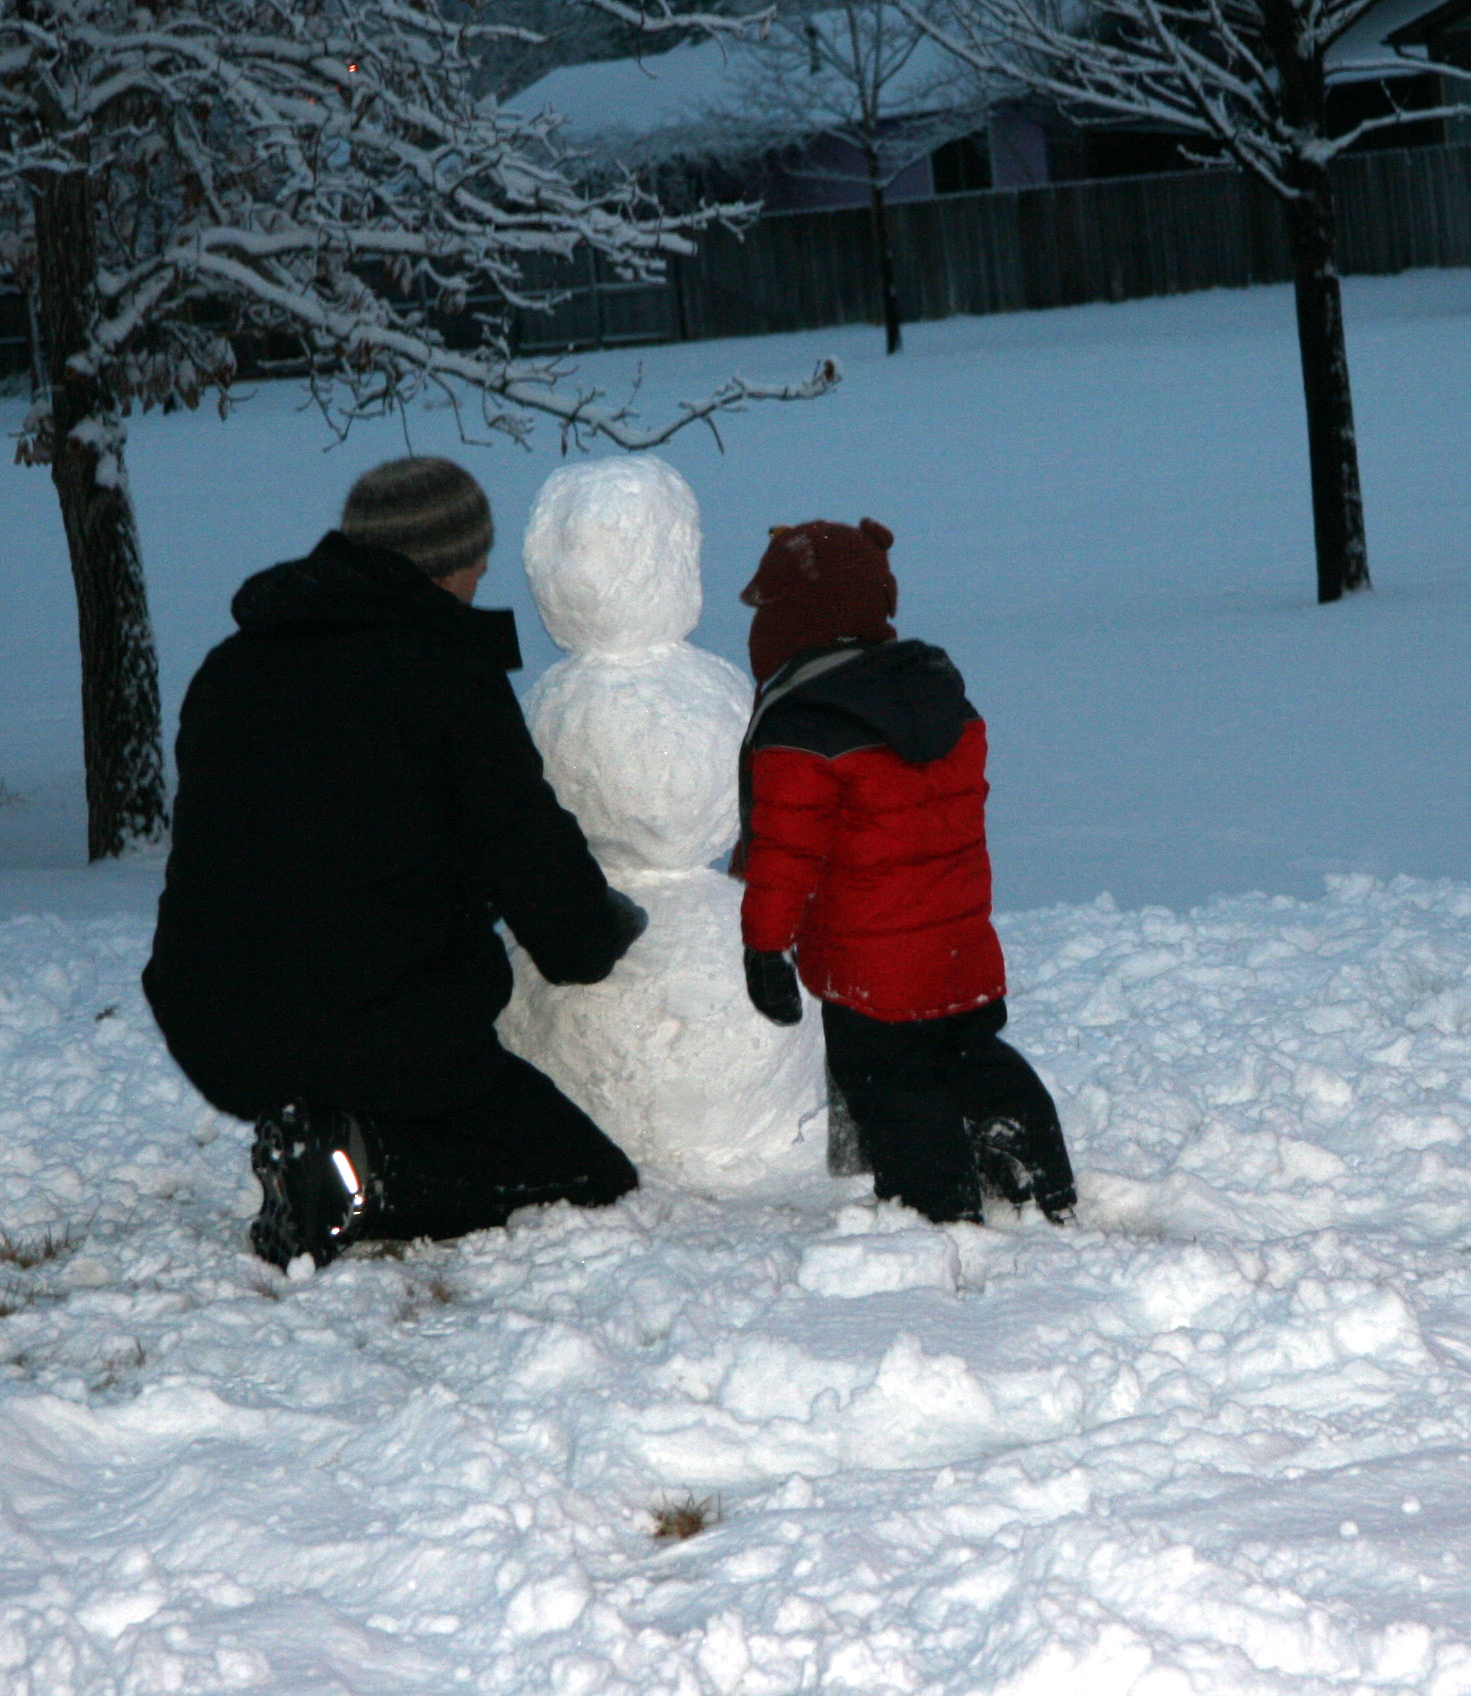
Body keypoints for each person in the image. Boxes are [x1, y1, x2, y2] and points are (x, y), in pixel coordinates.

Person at [144, 457, 647, 1266]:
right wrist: (597, 933)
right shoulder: (444, 674)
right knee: (586, 1172)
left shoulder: (231, 668)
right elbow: (526, 850)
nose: (485, 574)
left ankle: (330, 1134)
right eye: (478, 556)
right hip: (380, 1027)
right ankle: (358, 1173)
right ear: (448, 563)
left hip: (215, 1020)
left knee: (372, 1033)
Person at [732, 518, 1076, 1227]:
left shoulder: (804, 725)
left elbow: (784, 855)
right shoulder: (938, 697)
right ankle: (1031, 1163)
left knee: (892, 1087)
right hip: (958, 945)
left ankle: (938, 1213)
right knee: (968, 1054)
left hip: (870, 966)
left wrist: (764, 946)